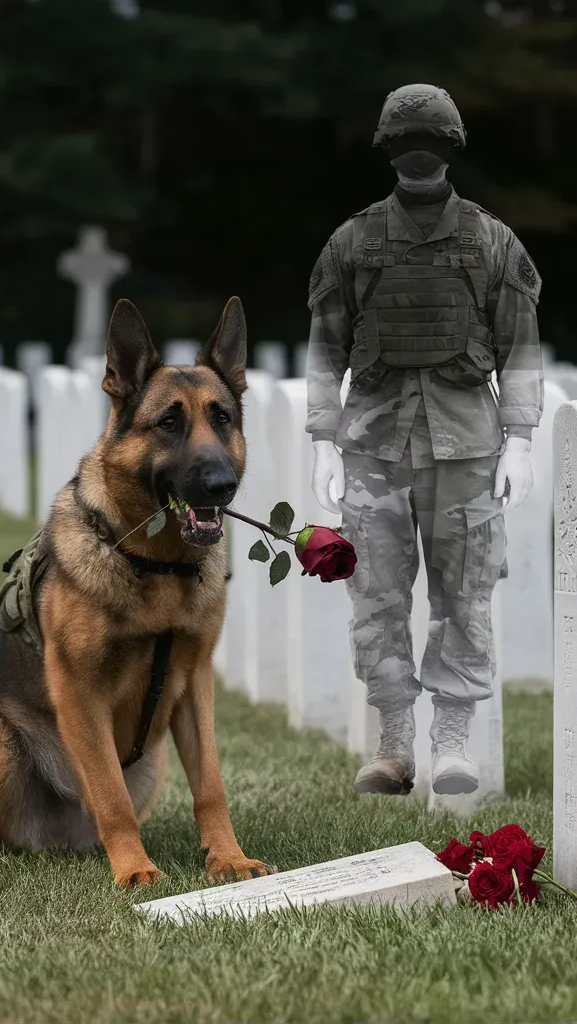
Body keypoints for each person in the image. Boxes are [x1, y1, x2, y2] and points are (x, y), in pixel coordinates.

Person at [305, 83, 544, 796]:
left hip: (467, 446)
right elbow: (326, 349)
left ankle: (453, 736)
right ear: (388, 149)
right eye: (409, 143)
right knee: (376, 592)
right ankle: (394, 738)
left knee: (464, 593)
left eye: (430, 142)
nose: (419, 154)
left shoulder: (491, 240)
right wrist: (323, 438)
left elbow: (519, 345)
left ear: (450, 148)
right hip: (374, 447)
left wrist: (521, 438)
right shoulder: (353, 242)